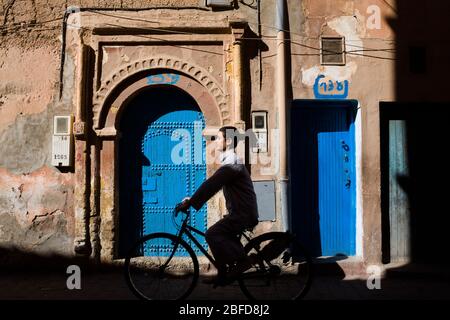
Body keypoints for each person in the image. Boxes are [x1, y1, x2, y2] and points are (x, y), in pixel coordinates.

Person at [176, 126, 259, 285]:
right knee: (220, 234)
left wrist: (192, 202)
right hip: (240, 211)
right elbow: (213, 183)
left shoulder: (232, 162)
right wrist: (192, 199)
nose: (216, 141)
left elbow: (212, 184)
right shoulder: (229, 161)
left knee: (212, 234)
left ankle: (242, 262)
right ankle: (223, 271)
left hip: (243, 213)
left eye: (219, 138)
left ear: (227, 141)